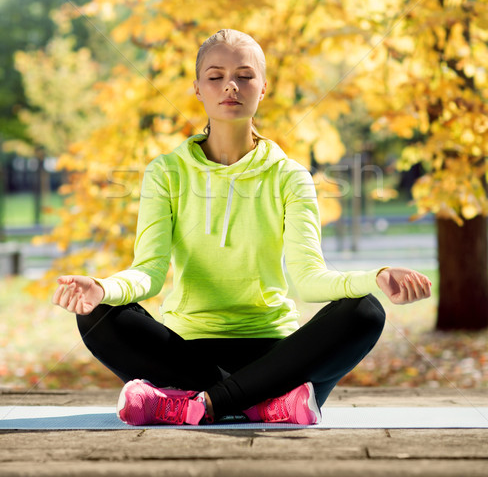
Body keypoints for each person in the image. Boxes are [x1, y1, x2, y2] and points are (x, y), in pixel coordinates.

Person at [52, 29, 431, 427]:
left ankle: (193, 404)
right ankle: (262, 404)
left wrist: (377, 276)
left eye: (245, 76)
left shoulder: (290, 176)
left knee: (365, 311)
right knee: (97, 314)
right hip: (187, 352)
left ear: (263, 88)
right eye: (215, 77)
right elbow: (148, 274)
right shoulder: (165, 172)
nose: (230, 85)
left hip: (276, 357)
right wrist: (102, 288)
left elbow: (310, 279)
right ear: (197, 88)